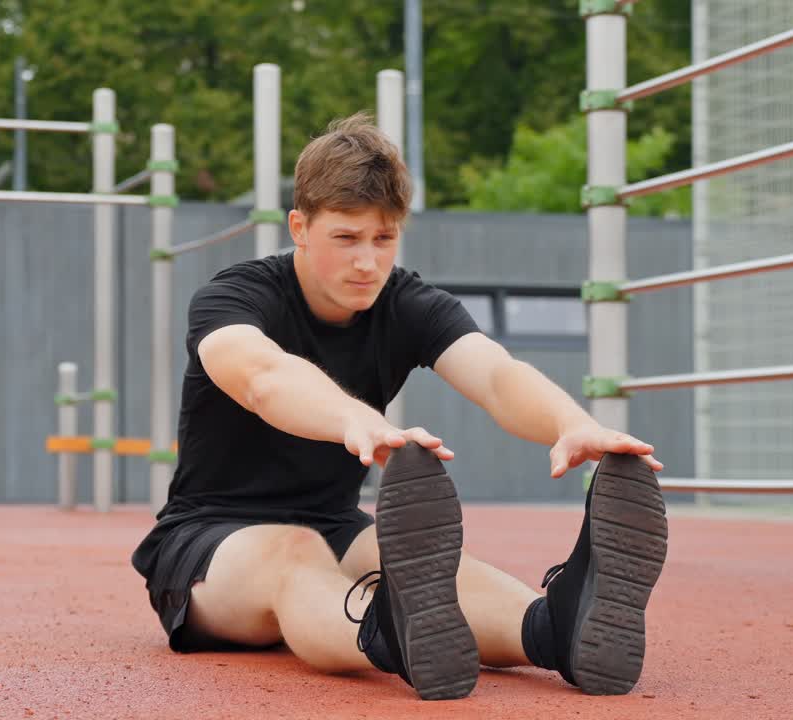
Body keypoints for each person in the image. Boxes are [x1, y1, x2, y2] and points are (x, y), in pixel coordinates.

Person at [130, 113, 668, 701]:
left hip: (334, 523)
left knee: (434, 569)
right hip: (209, 540)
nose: (367, 262)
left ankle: (554, 629)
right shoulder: (234, 296)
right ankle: (386, 633)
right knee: (294, 552)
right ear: (300, 227)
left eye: (383, 239)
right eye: (346, 238)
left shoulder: (406, 303)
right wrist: (354, 418)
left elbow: (495, 375)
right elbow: (262, 377)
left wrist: (573, 424)